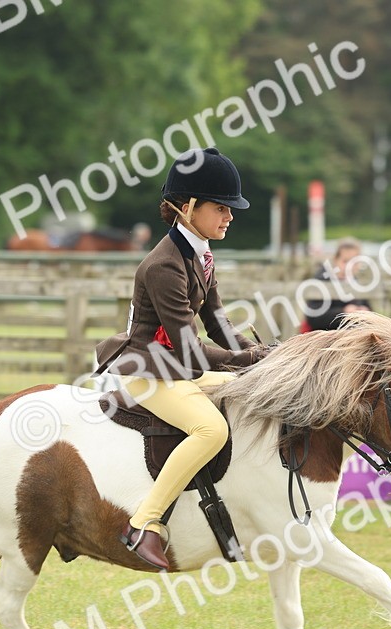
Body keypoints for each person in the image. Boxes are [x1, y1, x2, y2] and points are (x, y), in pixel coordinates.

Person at [93, 147, 268, 570]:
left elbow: (219, 323)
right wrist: (243, 360)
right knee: (210, 429)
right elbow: (190, 351)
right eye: (221, 208)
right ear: (187, 207)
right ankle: (144, 523)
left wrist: (261, 360)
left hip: (175, 369)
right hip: (147, 372)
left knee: (250, 395)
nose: (230, 216)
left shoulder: (200, 254)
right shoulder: (164, 266)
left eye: (230, 209)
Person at [304, 238, 372, 331]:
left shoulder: (356, 282)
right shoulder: (322, 280)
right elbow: (313, 318)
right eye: (345, 261)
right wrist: (343, 312)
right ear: (336, 260)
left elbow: (367, 307)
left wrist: (365, 311)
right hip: (324, 337)